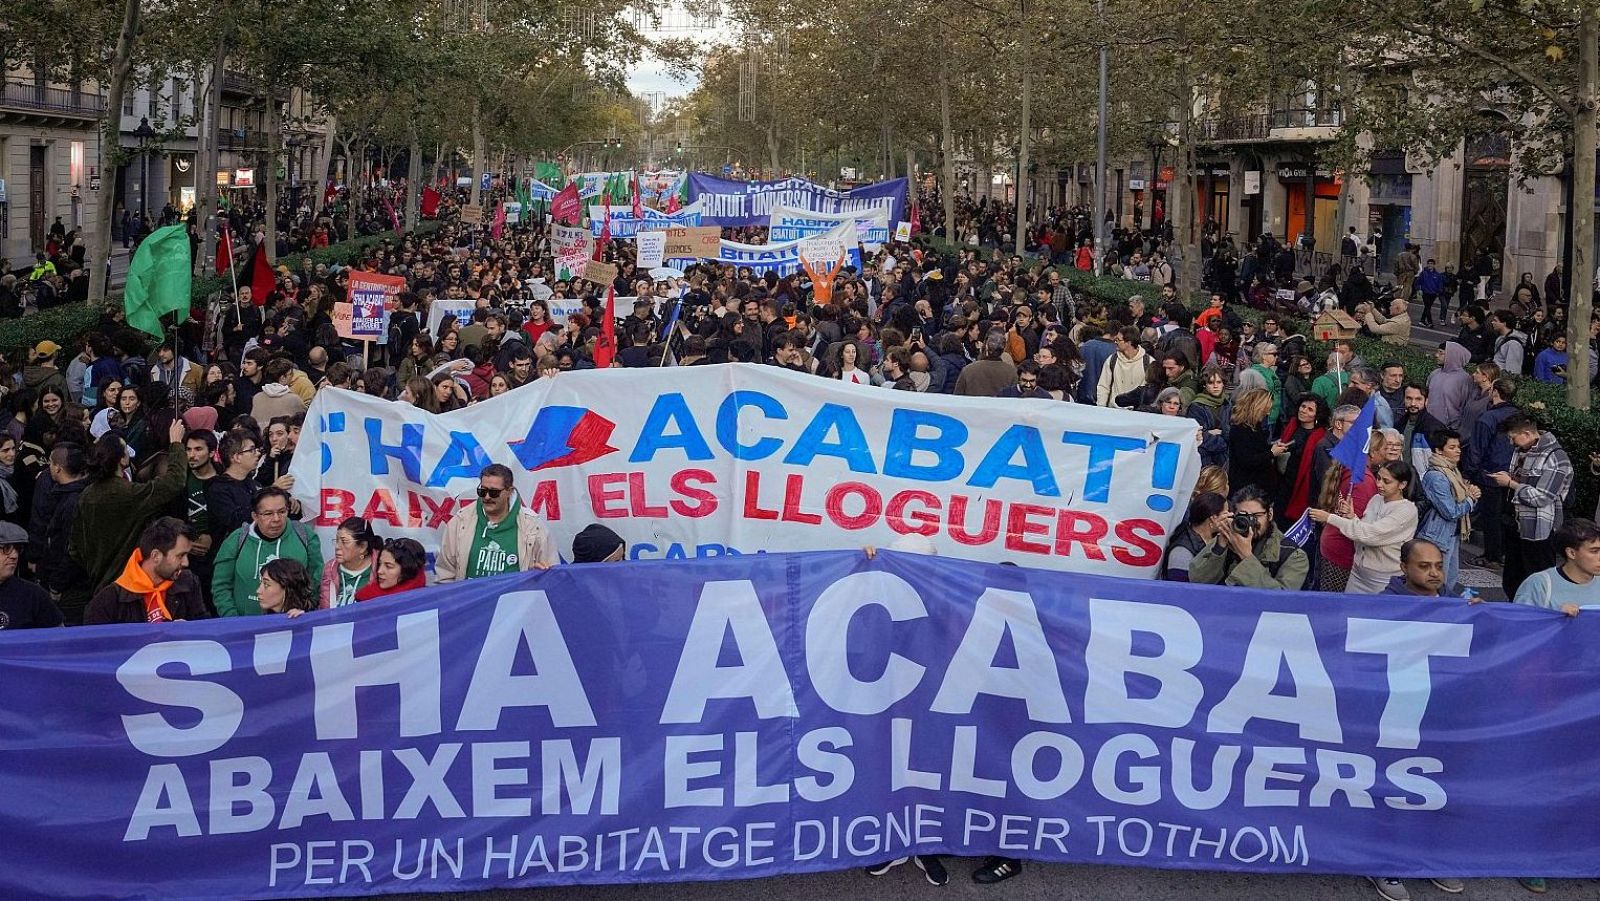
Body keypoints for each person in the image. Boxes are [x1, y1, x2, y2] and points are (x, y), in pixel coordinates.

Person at [68, 420, 187, 591]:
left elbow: (74, 548)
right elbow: (174, 482)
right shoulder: (130, 494)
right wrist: (176, 444)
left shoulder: (86, 495)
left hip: (99, 583)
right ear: (121, 459)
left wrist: (95, 564)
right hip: (129, 582)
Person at [1492, 415, 1574, 599]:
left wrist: (1511, 484)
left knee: (1539, 580)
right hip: (1516, 524)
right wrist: (1510, 478)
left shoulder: (1555, 458)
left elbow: (1542, 497)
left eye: (1513, 437)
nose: (1511, 442)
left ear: (1527, 433)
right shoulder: (1523, 451)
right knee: (1513, 580)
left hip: (1540, 529)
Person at [436, 463, 558, 582]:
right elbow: (445, 575)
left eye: (494, 492)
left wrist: (539, 575)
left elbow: (551, 574)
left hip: (514, 601)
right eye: (482, 491)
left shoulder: (532, 526)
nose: (487, 497)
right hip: (472, 601)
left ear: (509, 491)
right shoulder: (460, 521)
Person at [1312, 460, 1418, 594]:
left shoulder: (1407, 511)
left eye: (1386, 481)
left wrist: (1330, 518)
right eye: (1378, 478)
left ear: (1402, 484)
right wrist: (1352, 517)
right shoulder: (1376, 499)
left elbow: (1371, 535)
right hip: (1358, 573)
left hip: (1382, 579)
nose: (1379, 484)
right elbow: (1364, 528)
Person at [212, 487, 322, 616]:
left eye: (282, 511)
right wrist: (233, 621)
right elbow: (221, 586)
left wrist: (306, 610)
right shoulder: (237, 540)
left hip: (292, 624)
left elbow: (317, 578)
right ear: (255, 516)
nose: (276, 519)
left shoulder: (304, 535)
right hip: (244, 627)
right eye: (268, 514)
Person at [83, 516, 210, 624]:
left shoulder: (188, 582)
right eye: (180, 556)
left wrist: (191, 632)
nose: (186, 563)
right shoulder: (109, 600)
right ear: (155, 556)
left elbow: (204, 626)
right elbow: (96, 647)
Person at [1188, 485, 1310, 589]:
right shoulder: (1228, 539)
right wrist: (1219, 547)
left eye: (1256, 515)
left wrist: (1246, 556)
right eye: (1243, 516)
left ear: (1270, 514)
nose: (1251, 522)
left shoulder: (1293, 555)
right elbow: (1197, 582)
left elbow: (1280, 601)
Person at [1418, 430, 1479, 595]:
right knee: (1438, 582)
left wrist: (1469, 494)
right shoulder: (1437, 476)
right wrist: (1470, 500)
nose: (1458, 450)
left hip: (1452, 533)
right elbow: (1450, 511)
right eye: (1452, 447)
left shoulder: (1453, 471)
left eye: (1458, 446)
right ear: (1439, 450)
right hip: (1437, 535)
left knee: (1449, 580)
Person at [1512, 518, 1600, 615]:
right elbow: (1520, 624)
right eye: (1594, 551)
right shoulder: (1539, 585)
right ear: (1571, 553)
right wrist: (1556, 616)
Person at [1274, 395, 1330, 527]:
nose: (1304, 410)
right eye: (1303, 406)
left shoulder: (1319, 436)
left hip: (1303, 484)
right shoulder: (1292, 424)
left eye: (1310, 409)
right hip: (1284, 480)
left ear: (1317, 415)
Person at [0, 521, 60, 629]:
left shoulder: (34, 595)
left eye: (18, 549)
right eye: (7, 548)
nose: (14, 555)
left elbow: (60, 638)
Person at [1161, 492, 1227, 581]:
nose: (1230, 517)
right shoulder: (1182, 551)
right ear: (1213, 518)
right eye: (1226, 513)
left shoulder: (1218, 540)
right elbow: (1179, 589)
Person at [320, 516, 381, 608]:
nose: (337, 546)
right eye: (337, 541)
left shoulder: (381, 568)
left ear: (362, 547)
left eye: (344, 542)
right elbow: (325, 610)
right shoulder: (330, 569)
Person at [1227, 388, 1277, 495]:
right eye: (1266, 409)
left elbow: (1257, 448)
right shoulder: (1240, 429)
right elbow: (1247, 460)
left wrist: (1272, 447)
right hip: (1246, 489)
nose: (1268, 413)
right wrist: (1272, 453)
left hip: (1258, 486)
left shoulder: (1255, 426)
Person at [1383, 538, 1468, 600]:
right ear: (1405, 568)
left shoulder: (1454, 601)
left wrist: (1478, 609)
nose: (1435, 573)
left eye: (1439, 567)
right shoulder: (1385, 603)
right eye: (1424, 566)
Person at [355, 538, 429, 600]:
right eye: (379, 564)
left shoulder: (428, 600)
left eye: (389, 566)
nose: (379, 571)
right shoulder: (365, 597)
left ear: (407, 570)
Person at [1095, 327, 1150, 406]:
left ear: (1129, 342)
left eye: (1118, 340)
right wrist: (1101, 408)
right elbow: (1103, 387)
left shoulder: (1148, 362)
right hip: (1113, 412)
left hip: (1137, 414)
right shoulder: (1112, 360)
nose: (1115, 342)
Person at [1425, 342, 1474, 431]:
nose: (1436, 355)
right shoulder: (1435, 374)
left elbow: (1465, 405)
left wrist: (1456, 426)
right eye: (1437, 352)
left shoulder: (1464, 379)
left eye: (1441, 353)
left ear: (1452, 355)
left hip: (1449, 428)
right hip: (1428, 423)